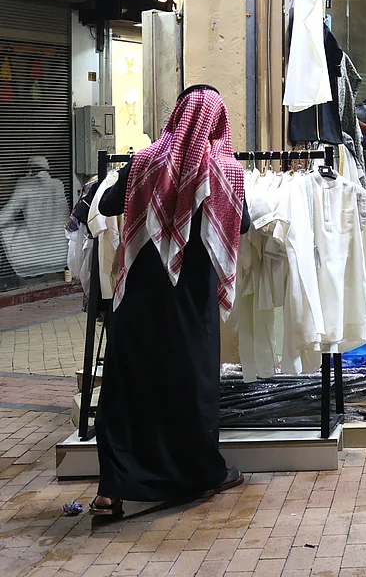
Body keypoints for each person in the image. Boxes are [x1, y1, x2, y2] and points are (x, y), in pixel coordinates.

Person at [91, 86, 248, 518]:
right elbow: (242, 226)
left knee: (127, 390)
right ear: (217, 122)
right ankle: (201, 475)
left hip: (140, 305)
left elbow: (108, 203)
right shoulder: (227, 173)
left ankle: (110, 492)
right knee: (190, 389)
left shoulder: (144, 163)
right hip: (190, 310)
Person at [0, 155, 69, 281]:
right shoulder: (59, 184)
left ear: (30, 170)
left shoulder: (25, 184)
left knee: (6, 226)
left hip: (31, 260)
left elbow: (8, 214)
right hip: (61, 255)